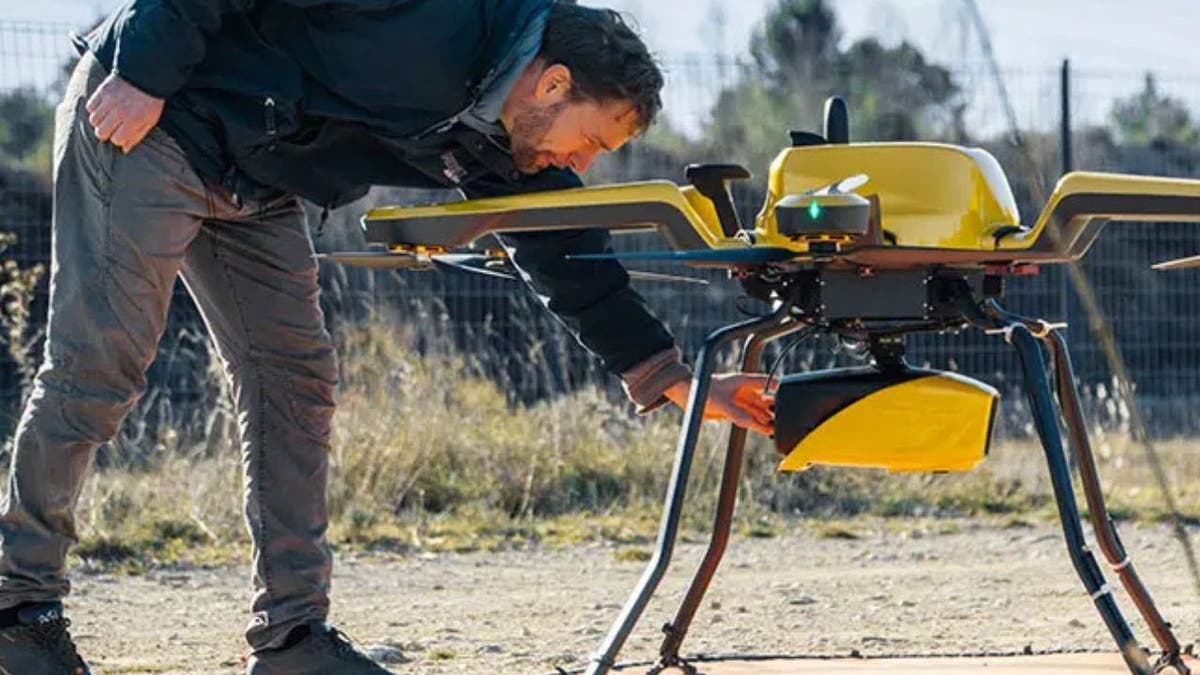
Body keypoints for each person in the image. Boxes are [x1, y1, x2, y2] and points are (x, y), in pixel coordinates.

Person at [0, 1, 775, 673]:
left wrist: (670, 376)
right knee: (101, 362)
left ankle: (291, 635)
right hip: (155, 115)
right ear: (553, 83)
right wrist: (144, 70)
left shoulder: (511, 138)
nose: (580, 161)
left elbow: (566, 251)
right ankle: (19, 609)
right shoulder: (442, 12)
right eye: (591, 141)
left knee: (296, 380)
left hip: (259, 176)